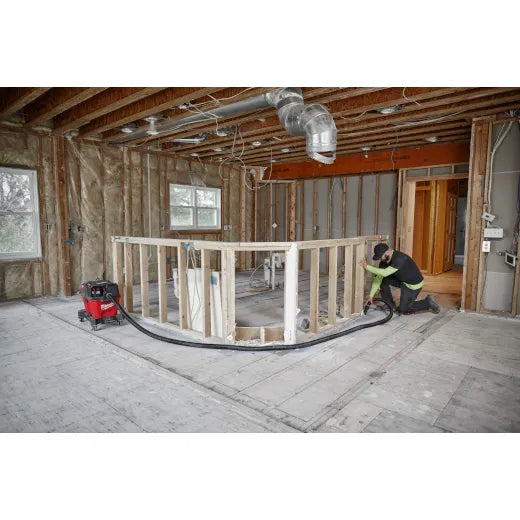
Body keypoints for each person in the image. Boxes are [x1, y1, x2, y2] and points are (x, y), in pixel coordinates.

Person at [359, 243, 440, 315]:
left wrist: (367, 267)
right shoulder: (384, 261)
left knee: (403, 310)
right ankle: (389, 304)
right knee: (382, 279)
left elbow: (385, 273)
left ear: (387, 252)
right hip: (402, 280)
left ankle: (428, 302)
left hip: (413, 285)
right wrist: (371, 296)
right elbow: (378, 278)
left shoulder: (399, 258)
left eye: (381, 257)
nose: (380, 259)